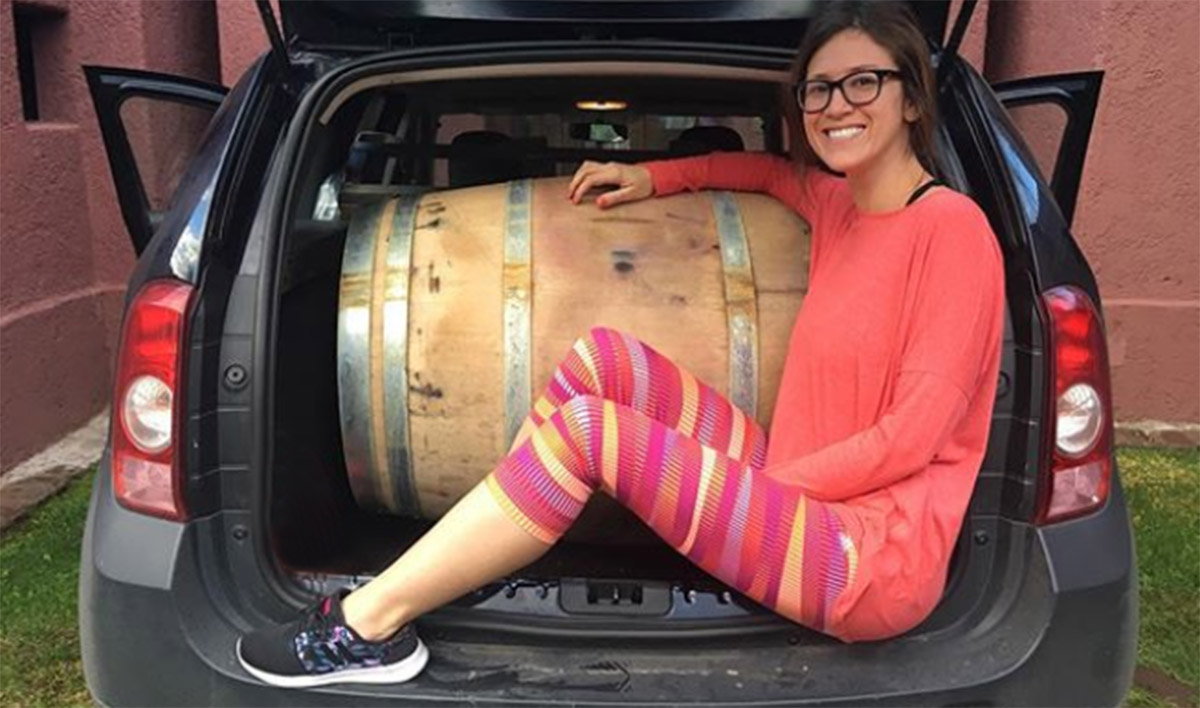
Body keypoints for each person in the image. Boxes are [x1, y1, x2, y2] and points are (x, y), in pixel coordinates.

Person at [236, 1, 1006, 688]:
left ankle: (364, 624)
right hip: (799, 487)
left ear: (912, 97)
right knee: (605, 357)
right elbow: (765, 171)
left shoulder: (953, 231)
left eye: (864, 83)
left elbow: (911, 439)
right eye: (819, 89)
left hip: (868, 559)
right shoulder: (841, 206)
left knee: (589, 433)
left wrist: (768, 484)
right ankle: (479, 547)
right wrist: (652, 178)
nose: (837, 105)